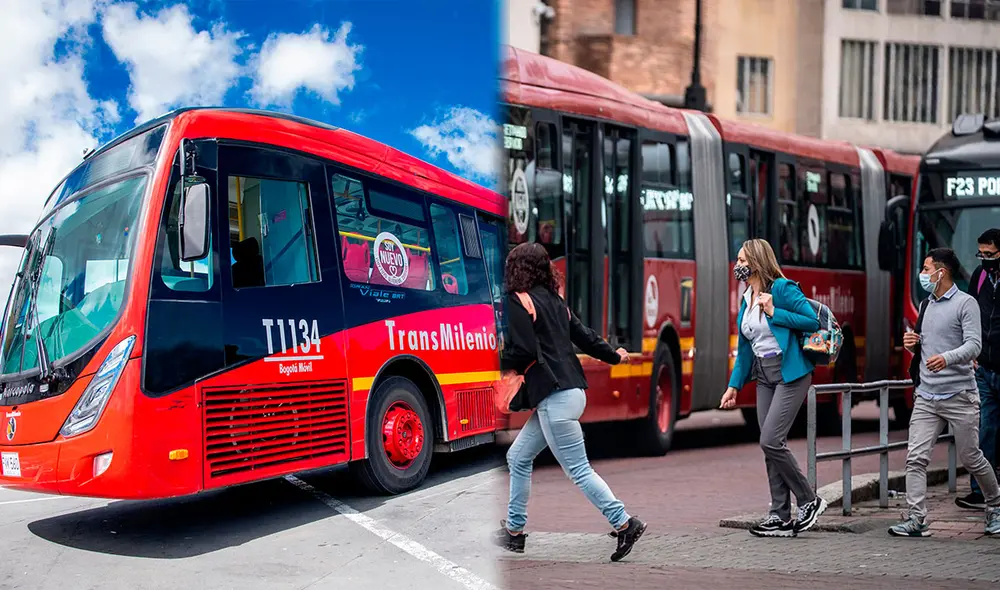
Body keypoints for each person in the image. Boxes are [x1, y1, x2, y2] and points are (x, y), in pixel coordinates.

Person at [493, 242, 647, 562]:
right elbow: (585, 336)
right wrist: (613, 356)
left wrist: (495, 359)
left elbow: (522, 351)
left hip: (554, 397)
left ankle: (624, 523)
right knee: (518, 457)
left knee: (578, 470)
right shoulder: (555, 302)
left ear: (517, 268)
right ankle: (515, 532)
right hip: (572, 392)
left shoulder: (519, 301)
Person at [720, 239, 826, 538]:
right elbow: (744, 349)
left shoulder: (781, 288)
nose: (737, 265)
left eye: (742, 260)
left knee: (771, 440)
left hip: (790, 372)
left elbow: (810, 321)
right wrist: (733, 386)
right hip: (763, 375)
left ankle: (809, 500)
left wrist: (773, 312)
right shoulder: (746, 297)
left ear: (756, 261)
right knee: (769, 446)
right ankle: (779, 515)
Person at [891, 248, 1000, 537]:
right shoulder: (926, 305)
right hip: (927, 396)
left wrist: (947, 358)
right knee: (915, 458)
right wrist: (913, 343)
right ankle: (917, 518)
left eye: (926, 269)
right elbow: (926, 346)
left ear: (942, 272)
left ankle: (995, 507)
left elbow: (974, 346)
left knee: (972, 457)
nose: (922, 274)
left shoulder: (966, 304)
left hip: (960, 395)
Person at [956, 229, 1000, 510]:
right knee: (985, 430)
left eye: (990, 254)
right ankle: (980, 491)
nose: (984, 259)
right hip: (984, 367)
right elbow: (969, 315)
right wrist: (971, 352)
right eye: (980, 254)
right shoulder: (980, 277)